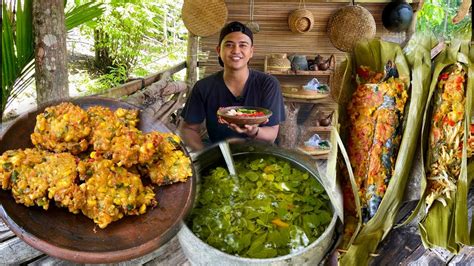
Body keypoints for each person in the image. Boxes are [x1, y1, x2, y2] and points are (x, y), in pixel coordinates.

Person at [179, 21, 285, 151]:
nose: (236, 51)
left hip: (260, 156)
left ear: (251, 51)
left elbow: (272, 134)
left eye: (243, 45)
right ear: (219, 50)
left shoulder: (268, 84)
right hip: (219, 157)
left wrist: (253, 131)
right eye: (229, 45)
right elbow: (188, 129)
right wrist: (205, 154)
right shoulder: (203, 87)